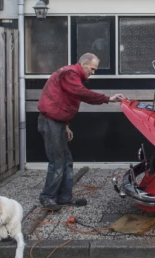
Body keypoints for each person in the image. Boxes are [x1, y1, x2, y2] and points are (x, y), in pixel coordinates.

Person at [36, 53, 124, 210]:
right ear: (83, 64)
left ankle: (64, 197)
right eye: (92, 68)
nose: (93, 72)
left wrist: (66, 125)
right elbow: (81, 93)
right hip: (50, 122)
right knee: (57, 161)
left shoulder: (72, 76)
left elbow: (63, 100)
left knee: (66, 160)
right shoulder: (70, 74)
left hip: (58, 122)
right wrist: (108, 99)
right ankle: (47, 198)